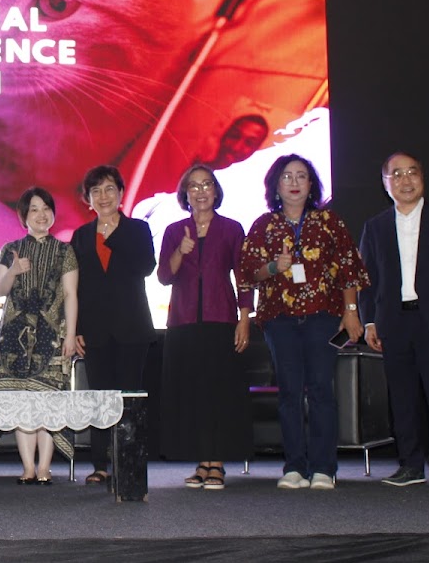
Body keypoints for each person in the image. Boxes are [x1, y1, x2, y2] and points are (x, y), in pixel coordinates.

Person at [239, 154, 369, 491]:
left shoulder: (329, 221)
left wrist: (351, 310)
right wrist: (273, 267)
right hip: (279, 319)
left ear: (311, 184)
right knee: (289, 392)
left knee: (322, 389)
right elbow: (248, 273)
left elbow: (348, 267)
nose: (294, 182)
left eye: (301, 176)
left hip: (322, 316)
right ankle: (294, 466)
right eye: (287, 176)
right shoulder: (263, 225)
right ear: (276, 185)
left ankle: (324, 467)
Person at [358, 152, 429, 488]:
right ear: (385, 184)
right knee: (402, 397)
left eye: (412, 172)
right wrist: (369, 321)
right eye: (396, 174)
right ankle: (409, 464)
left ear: (422, 178)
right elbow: (366, 279)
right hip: (394, 322)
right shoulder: (375, 226)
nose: (405, 180)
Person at [157, 166, 253, 490]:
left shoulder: (231, 229)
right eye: (194, 186)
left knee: (219, 392)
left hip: (221, 319)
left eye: (206, 184)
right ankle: (201, 462)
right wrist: (179, 253)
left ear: (216, 190)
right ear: (185, 194)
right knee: (193, 392)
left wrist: (244, 319)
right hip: (183, 322)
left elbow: (244, 276)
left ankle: (217, 463)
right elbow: (164, 277)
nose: (201, 191)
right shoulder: (174, 231)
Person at [69, 165, 156, 486]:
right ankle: (100, 463)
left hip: (132, 327)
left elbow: (145, 266)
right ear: (87, 199)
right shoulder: (80, 236)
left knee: (129, 398)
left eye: (109, 189)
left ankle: (128, 462)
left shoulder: (138, 229)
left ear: (120, 193)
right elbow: (75, 287)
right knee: (100, 398)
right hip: (94, 330)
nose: (103, 196)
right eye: (96, 191)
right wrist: (76, 328)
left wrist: (112, 235)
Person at [0, 187, 78, 485]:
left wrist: (70, 335)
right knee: (22, 401)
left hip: (51, 335)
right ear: (24, 216)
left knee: (47, 401)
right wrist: (13, 270)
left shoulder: (65, 250)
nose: (41, 215)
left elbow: (71, 294)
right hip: (14, 335)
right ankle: (28, 467)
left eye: (46, 208)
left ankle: (44, 468)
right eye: (34, 209)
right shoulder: (11, 248)